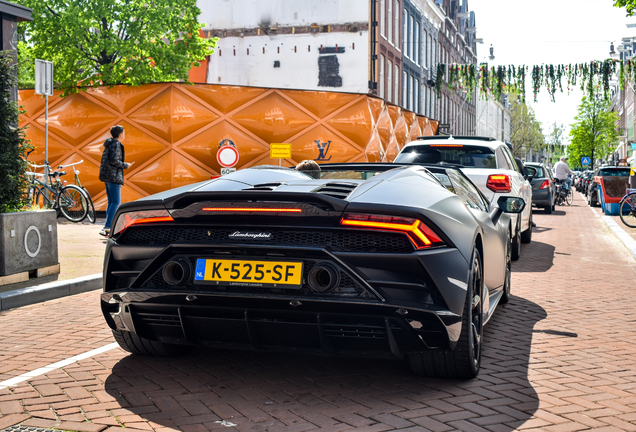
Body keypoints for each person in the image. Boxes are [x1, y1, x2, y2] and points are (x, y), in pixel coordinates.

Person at [98, 125, 134, 237]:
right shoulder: (116, 144)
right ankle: (107, 228)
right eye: (124, 133)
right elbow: (114, 160)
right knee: (116, 202)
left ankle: (108, 227)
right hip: (113, 176)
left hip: (107, 176)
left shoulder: (109, 144)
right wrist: (125, 165)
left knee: (111, 202)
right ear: (120, 134)